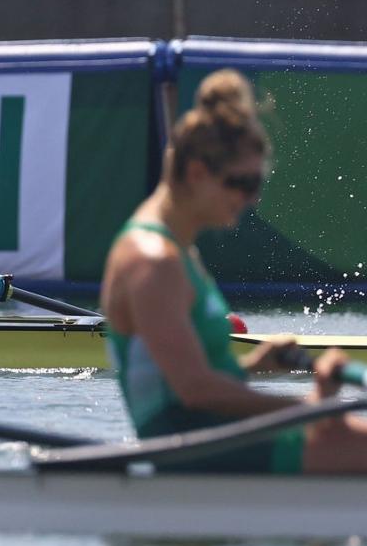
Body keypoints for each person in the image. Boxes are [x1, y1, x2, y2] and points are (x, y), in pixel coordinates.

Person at [101, 69, 367, 473]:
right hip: (194, 450)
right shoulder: (151, 260)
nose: (251, 198)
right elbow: (194, 390)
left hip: (213, 434)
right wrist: (310, 408)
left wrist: (255, 366)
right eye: (241, 183)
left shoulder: (175, 249)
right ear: (196, 174)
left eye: (257, 183)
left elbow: (182, 377)